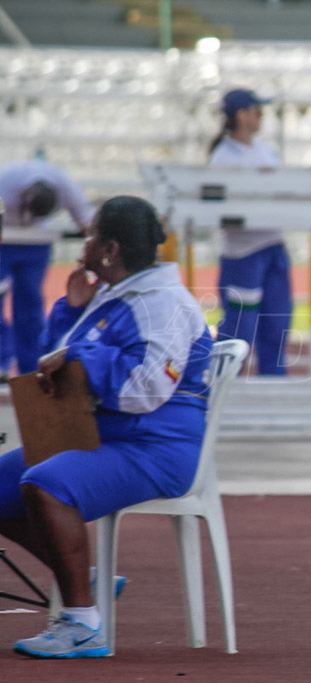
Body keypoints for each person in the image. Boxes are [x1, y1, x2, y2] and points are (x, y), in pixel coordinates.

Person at [0, 196, 214, 658]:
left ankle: (82, 625)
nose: (85, 242)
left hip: (157, 447)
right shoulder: (116, 295)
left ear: (111, 249)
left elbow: (147, 390)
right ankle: (87, 576)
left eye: (93, 234)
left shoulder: (163, 304)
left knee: (45, 484)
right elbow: (54, 361)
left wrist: (83, 355)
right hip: (106, 436)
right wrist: (70, 312)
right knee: (0, 484)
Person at [208, 88, 291, 375]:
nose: (261, 117)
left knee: (277, 324)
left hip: (272, 245)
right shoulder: (222, 157)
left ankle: (275, 388)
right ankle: (226, 389)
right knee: (238, 328)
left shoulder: (265, 149)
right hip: (242, 253)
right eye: (258, 111)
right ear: (242, 115)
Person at [0, 160, 96, 379]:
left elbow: (85, 220)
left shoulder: (66, 186)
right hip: (4, 240)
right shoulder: (6, 184)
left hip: (36, 241)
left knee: (30, 304)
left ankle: (30, 369)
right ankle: (1, 362)